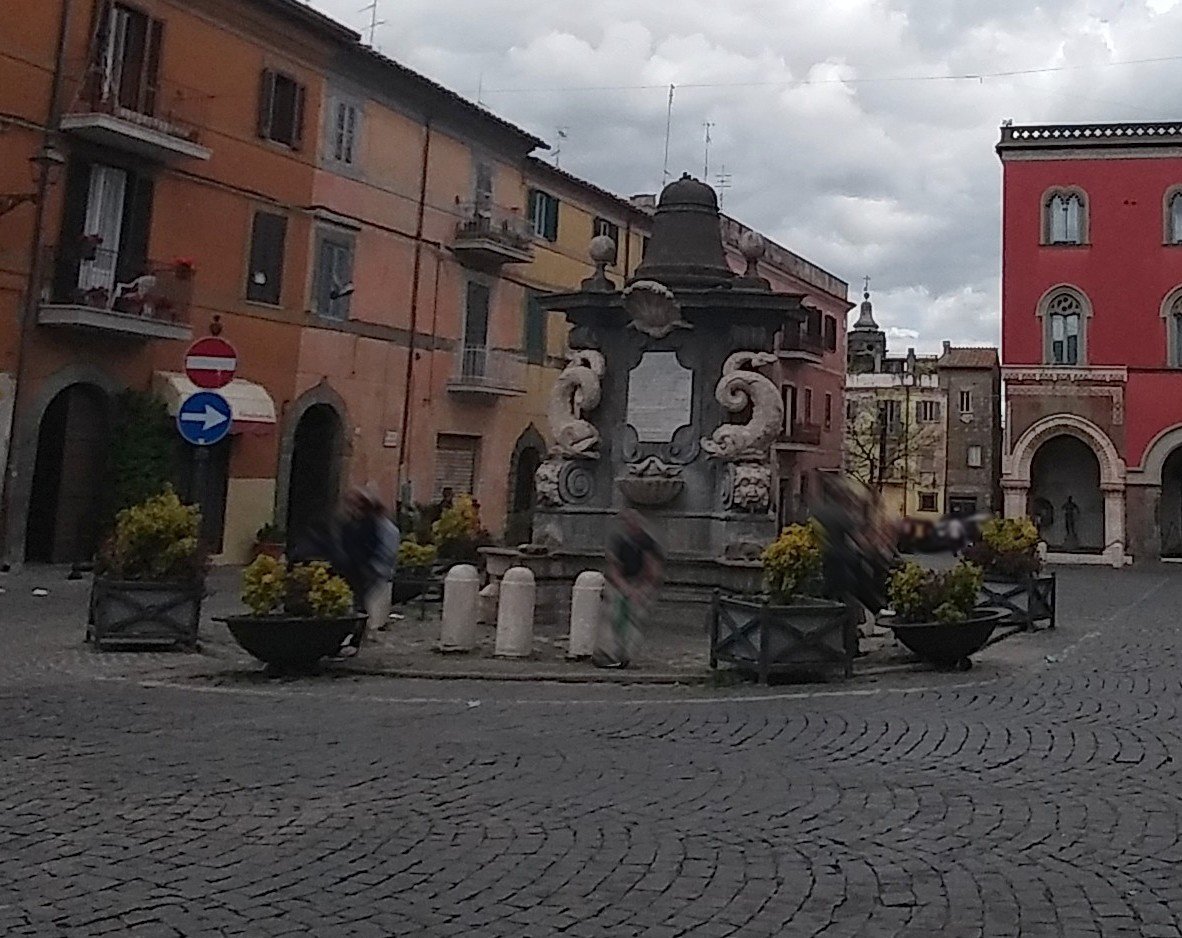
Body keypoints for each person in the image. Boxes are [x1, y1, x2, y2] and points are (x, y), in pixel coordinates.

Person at [593, 509, 664, 669]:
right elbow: (614, 567)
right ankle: (610, 654)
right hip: (622, 584)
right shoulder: (620, 542)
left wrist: (639, 590)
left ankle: (625, 655)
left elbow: (652, 569)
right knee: (613, 617)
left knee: (633, 621)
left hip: (640, 584)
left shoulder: (646, 542)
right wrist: (624, 588)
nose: (630, 526)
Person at [333, 488, 400, 656]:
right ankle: (342, 641)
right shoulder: (347, 524)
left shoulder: (370, 525)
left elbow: (374, 547)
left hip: (363, 571)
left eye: (353, 504)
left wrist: (369, 566)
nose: (349, 508)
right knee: (347, 605)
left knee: (358, 605)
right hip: (348, 570)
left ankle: (353, 641)